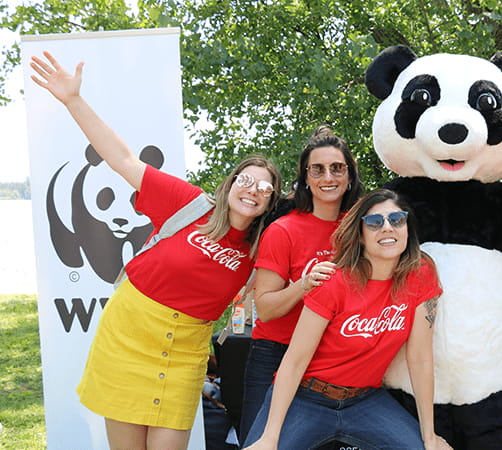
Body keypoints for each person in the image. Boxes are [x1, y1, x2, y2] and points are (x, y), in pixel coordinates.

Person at [29, 51, 281, 450]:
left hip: (185, 351)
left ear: (269, 203)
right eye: (246, 180)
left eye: (265, 188)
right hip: (131, 333)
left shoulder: (261, 249)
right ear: (230, 184)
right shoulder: (188, 203)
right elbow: (121, 157)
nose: (253, 190)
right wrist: (73, 100)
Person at [243, 189, 451, 449]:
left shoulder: (421, 273)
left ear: (407, 227)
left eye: (397, 219)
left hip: (364, 401)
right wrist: (270, 438)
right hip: (307, 398)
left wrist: (429, 436)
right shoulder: (334, 281)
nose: (387, 228)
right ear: (361, 236)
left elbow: (419, 357)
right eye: (375, 223)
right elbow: (295, 360)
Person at [238, 125, 362, 442]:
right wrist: (305, 284)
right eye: (317, 170)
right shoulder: (283, 230)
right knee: (260, 443)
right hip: (275, 355)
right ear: (306, 178)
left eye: (337, 168)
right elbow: (264, 309)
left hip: (332, 360)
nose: (328, 178)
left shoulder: (363, 229)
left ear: (349, 175)